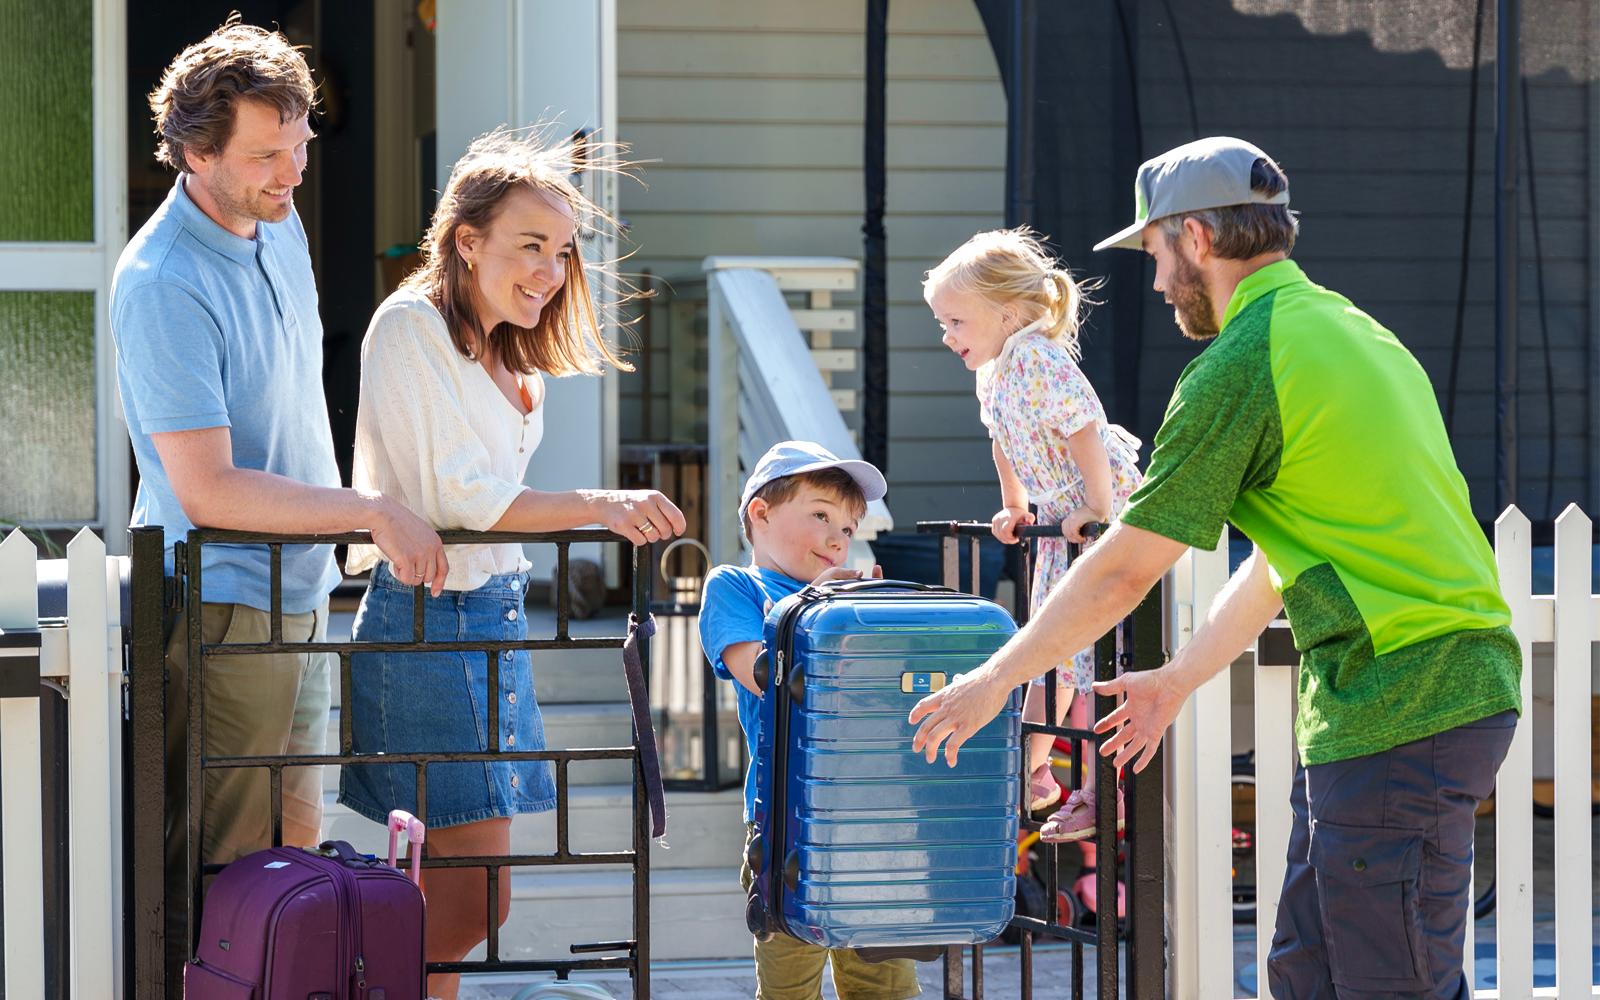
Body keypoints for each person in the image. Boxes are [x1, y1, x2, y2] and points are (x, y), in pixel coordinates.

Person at [907, 136, 1520, 998]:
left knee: (1387, 982)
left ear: (1193, 236)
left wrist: (997, 682)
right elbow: (1286, 553)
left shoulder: (1242, 363)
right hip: (1394, 701)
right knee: (1310, 970)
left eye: (1155, 251)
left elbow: (1126, 566)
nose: (1155, 281)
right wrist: (1180, 678)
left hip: (1406, 696)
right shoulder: (1352, 332)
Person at [111, 17, 445, 978]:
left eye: (300, 143)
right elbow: (204, 487)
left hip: (300, 591)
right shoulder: (163, 281)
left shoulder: (278, 218)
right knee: (228, 879)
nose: (293, 170)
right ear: (192, 151)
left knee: (292, 860)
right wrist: (369, 511)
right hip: (218, 601)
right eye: (266, 153)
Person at [338, 127, 685, 1000]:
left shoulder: (509, 353)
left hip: (493, 618)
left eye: (563, 252)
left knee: (451, 890)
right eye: (530, 245)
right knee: (474, 896)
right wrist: (599, 506)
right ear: (466, 239)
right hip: (430, 619)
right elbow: (460, 500)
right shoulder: (411, 326)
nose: (550, 270)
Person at [922, 228, 1142, 917]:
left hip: (1103, 509)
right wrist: (1017, 508)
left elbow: (1084, 429)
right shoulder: (996, 372)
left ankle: (1092, 786)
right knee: (1045, 648)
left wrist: (1096, 512)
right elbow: (1003, 445)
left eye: (957, 320)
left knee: (1089, 654)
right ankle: (1037, 770)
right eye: (942, 323)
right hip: (1060, 517)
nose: (948, 335)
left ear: (1009, 314)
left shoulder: (1038, 358)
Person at [697, 441, 919, 1000]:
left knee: (886, 988)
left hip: (877, 824)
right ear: (761, 513)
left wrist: (874, 620)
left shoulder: (848, 603)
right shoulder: (735, 586)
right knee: (789, 989)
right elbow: (762, 674)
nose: (836, 537)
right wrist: (824, 611)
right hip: (788, 832)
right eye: (821, 514)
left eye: (847, 527)